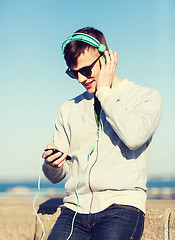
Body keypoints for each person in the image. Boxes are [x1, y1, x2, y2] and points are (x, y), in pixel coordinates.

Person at [42, 27, 162, 240]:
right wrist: (52, 165)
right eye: (73, 72)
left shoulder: (146, 97)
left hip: (122, 208)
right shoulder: (69, 109)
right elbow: (56, 176)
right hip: (73, 211)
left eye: (86, 70)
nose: (80, 78)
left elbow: (134, 137)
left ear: (106, 58)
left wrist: (104, 93)